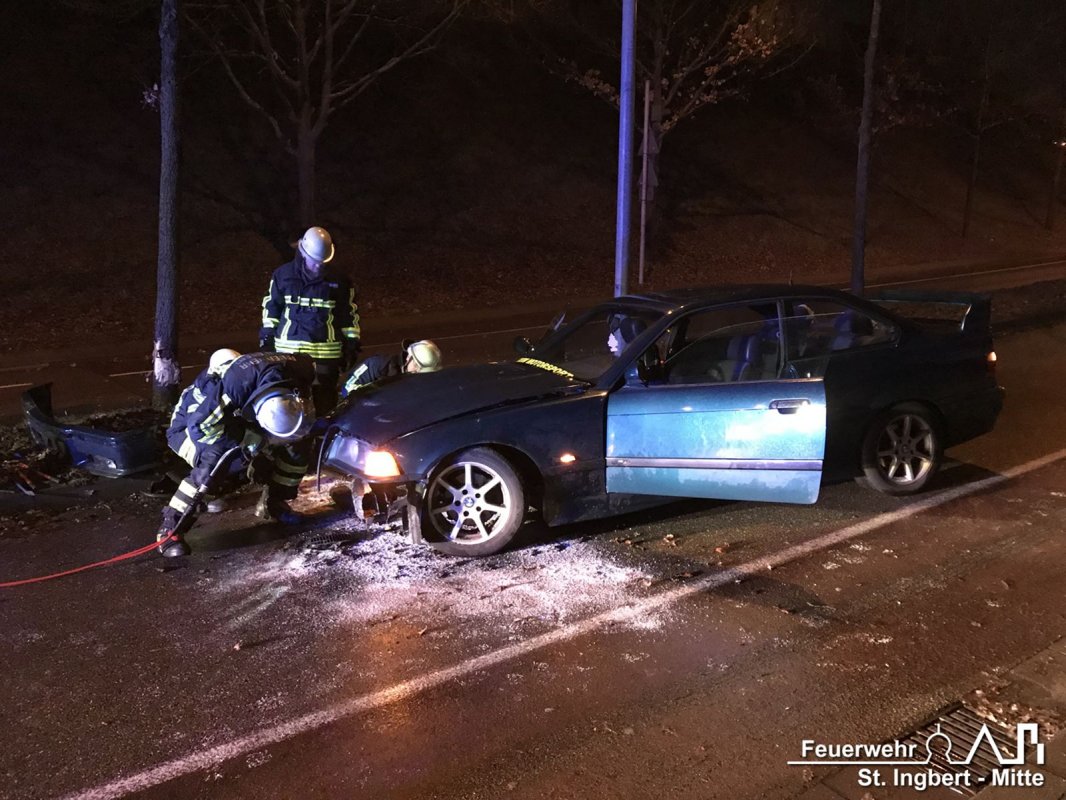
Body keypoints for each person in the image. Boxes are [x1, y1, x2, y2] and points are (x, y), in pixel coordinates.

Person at [156, 352, 316, 558]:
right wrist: (249, 444)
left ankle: (274, 503)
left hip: (231, 425)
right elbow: (201, 428)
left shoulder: (295, 371)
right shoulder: (219, 388)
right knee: (216, 463)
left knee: (297, 446)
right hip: (188, 433)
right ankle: (171, 529)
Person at [259, 226, 360, 417]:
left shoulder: (339, 280)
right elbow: (271, 308)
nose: (318, 266)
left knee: (326, 407)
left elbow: (348, 314)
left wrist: (351, 343)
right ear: (303, 253)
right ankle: (296, 443)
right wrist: (267, 337)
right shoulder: (283, 275)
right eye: (315, 261)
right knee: (291, 407)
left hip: (326, 355)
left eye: (323, 262)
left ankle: (322, 441)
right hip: (290, 353)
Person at [340, 339, 442, 399]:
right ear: (408, 358)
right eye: (418, 367)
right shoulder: (376, 365)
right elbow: (347, 388)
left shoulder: (424, 380)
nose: (419, 373)